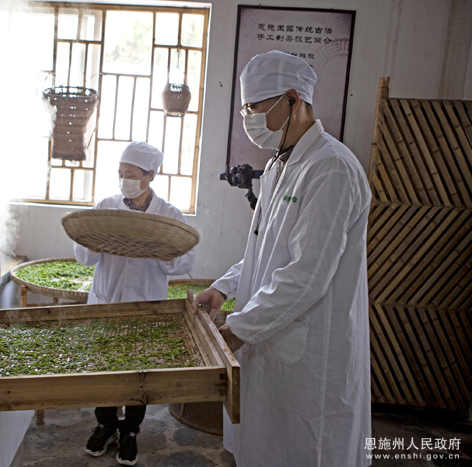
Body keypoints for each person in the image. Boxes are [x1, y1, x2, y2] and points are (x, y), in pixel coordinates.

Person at [192, 50, 372, 466]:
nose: (249, 118)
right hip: (271, 337)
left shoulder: (332, 169)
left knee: (305, 448)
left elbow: (308, 274)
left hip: (309, 350)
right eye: (245, 109)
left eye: (255, 108)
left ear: (292, 99)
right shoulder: (278, 166)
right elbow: (265, 249)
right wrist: (225, 286)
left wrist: (238, 329)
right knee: (263, 445)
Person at [74, 141, 195, 466]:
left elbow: (185, 260)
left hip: (146, 304)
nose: (123, 179)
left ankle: (130, 430)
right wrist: (91, 243)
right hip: (107, 299)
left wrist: (169, 256)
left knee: (139, 370)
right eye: (120, 173)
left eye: (130, 174)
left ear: (149, 176)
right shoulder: (107, 205)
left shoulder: (168, 215)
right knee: (104, 368)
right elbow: (84, 257)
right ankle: (106, 425)